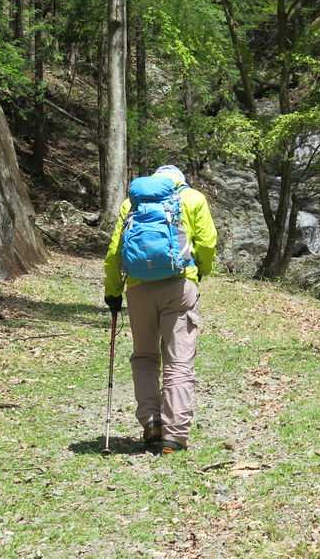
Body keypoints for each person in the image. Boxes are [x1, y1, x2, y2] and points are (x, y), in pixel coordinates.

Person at [103, 165, 217, 454]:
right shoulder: (192, 199)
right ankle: (174, 435)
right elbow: (207, 244)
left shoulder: (132, 203)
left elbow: (115, 251)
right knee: (178, 360)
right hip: (179, 286)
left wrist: (113, 291)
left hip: (139, 289)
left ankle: (152, 424)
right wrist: (200, 271)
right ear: (179, 182)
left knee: (144, 356)